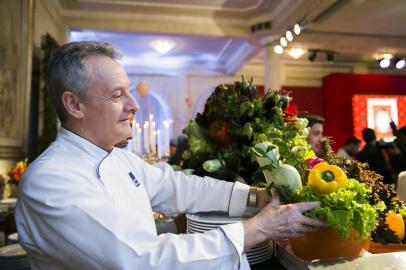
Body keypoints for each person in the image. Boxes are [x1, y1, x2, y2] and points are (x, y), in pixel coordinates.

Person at [15, 42, 325, 269]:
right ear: (74, 105)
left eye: (129, 91)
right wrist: (259, 228)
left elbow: (176, 186)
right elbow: (139, 260)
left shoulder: (118, 158)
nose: (134, 105)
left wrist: (253, 196)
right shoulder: (50, 179)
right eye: (117, 95)